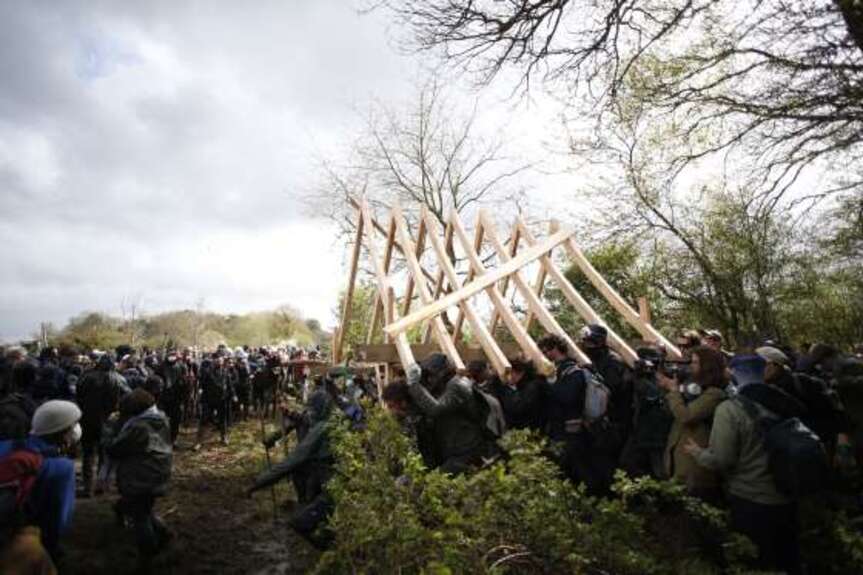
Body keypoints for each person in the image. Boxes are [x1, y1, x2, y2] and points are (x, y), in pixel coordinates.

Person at [685, 365, 807, 574]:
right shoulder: (782, 402)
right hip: (786, 495)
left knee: (755, 561)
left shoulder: (730, 410)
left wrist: (697, 453)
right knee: (788, 560)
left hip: (751, 499)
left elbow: (722, 460)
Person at [247, 390, 336, 548]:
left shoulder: (324, 426)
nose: (310, 413)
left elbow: (290, 462)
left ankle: (328, 545)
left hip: (317, 469)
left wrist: (260, 482)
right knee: (307, 499)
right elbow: (285, 430)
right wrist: (270, 441)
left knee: (313, 506)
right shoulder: (312, 417)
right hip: (306, 466)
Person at [0, 400, 81, 563]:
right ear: (65, 433)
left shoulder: (6, 446)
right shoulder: (61, 467)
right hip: (23, 538)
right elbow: (59, 517)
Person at [538, 334, 614, 495]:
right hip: (564, 429)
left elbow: (568, 397)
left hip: (572, 430)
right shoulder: (562, 371)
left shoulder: (573, 372)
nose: (545, 354)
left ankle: (596, 499)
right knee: (572, 467)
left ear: (557, 349)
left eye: (547, 350)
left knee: (580, 467)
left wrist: (549, 383)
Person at [106, 389, 173, 568]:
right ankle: (164, 533)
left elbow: (115, 448)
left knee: (140, 517)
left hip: (140, 475)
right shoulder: (161, 419)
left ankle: (147, 555)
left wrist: (110, 430)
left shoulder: (138, 426)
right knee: (144, 509)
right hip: (158, 470)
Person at [404, 353, 502, 475]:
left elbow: (436, 409)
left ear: (441, 373)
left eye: (431, 376)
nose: (430, 380)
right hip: (460, 447)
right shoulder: (451, 384)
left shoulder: (457, 385)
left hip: (467, 448)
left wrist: (414, 385)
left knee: (439, 481)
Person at [757, 346, 851, 461]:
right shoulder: (762, 390)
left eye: (760, 365)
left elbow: (833, 412)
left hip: (820, 447)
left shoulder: (806, 383)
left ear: (774, 365)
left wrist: (841, 440)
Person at [657, 346, 726, 500]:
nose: (691, 367)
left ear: (707, 367)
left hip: (695, 469)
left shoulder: (715, 394)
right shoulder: (695, 389)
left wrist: (674, 391)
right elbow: (671, 411)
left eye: (695, 363)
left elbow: (686, 416)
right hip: (680, 462)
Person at [76, 354, 127, 497]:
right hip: (109, 421)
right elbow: (128, 397)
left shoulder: (86, 376)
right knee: (104, 453)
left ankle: (88, 487)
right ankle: (100, 484)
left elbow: (78, 395)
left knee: (88, 453)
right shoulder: (119, 378)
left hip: (88, 419)